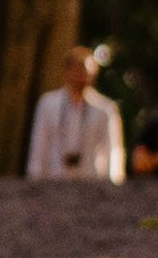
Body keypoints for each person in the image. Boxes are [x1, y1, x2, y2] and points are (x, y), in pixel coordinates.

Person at [24, 45, 126, 182]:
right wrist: (34, 177)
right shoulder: (48, 104)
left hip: (91, 180)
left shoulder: (105, 108)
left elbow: (112, 148)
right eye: (77, 70)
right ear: (66, 72)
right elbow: (39, 143)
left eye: (86, 71)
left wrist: (114, 181)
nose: (82, 76)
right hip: (55, 177)